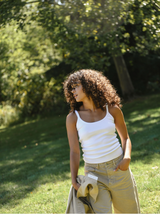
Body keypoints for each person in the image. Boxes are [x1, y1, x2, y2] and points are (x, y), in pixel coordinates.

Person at [63, 69, 140, 213]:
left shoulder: (112, 109)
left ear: (88, 84)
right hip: (93, 173)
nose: (73, 91)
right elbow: (74, 150)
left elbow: (125, 138)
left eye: (76, 86)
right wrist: (74, 180)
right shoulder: (73, 118)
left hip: (119, 168)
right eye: (71, 88)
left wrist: (127, 158)